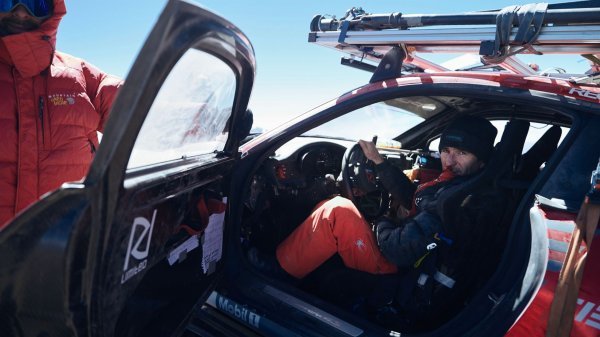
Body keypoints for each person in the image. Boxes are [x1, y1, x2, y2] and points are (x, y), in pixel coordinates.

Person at [271, 115, 509, 328]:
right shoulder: (465, 183)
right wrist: (379, 162)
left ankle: (274, 275)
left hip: (403, 271)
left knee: (336, 211)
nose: (449, 160)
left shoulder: (460, 202)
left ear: (482, 160)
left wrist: (381, 221)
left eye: (462, 153)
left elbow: (396, 250)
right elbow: (414, 197)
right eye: (446, 150)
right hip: (416, 256)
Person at [0, 0, 122, 228]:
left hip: (68, 252)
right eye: (6, 0)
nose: (20, 12)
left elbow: (142, 109)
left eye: (35, 3)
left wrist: (199, 115)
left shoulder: (79, 76)